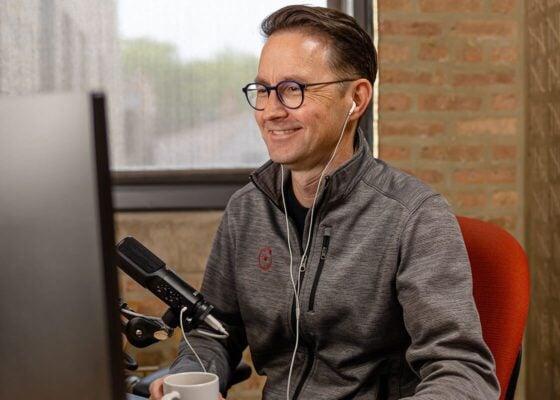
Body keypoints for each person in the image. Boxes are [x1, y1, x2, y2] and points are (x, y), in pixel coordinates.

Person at [150, 5, 500, 400]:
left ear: (356, 98)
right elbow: (215, 331)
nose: (270, 111)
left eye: (293, 90)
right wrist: (191, 376)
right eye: (263, 90)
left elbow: (462, 372)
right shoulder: (246, 211)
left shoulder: (414, 217)